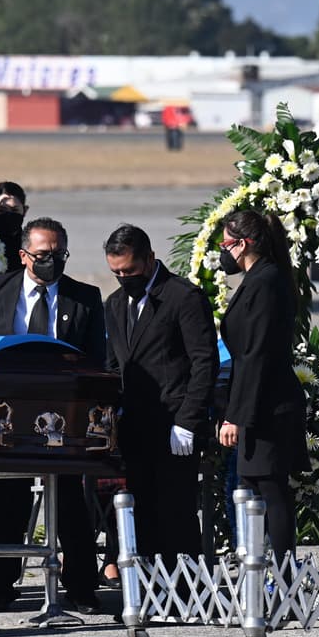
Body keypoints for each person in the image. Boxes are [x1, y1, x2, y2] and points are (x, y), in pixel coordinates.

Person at [0, 216, 104, 614]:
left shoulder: (84, 298)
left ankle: (81, 587)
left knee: (70, 504)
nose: (52, 261)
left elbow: (97, 359)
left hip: (63, 417)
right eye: (44, 254)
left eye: (59, 254)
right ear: (24, 255)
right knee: (2, 502)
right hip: (5, 413)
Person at [104, 224, 218, 572]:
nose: (124, 278)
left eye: (130, 271)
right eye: (117, 272)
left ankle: (184, 588)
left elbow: (204, 362)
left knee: (175, 513)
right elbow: (115, 365)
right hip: (135, 428)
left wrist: (187, 421)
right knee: (141, 513)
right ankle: (149, 587)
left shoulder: (183, 297)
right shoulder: (115, 304)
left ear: (150, 259)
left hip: (173, 427)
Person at [216, 210, 310, 562]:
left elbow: (255, 355)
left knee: (271, 489)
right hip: (261, 400)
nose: (223, 252)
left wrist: (236, 417)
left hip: (269, 405)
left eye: (226, 244)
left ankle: (284, 575)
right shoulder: (260, 278)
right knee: (257, 487)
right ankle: (266, 570)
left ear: (242, 245)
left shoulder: (266, 282)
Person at [0, 181, 29, 272]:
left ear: (25, 210)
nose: (8, 215)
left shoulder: (30, 246)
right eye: (1, 210)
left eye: (14, 210)